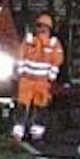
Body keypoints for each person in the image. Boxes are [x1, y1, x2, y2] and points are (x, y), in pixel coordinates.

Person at [14, 12, 64, 142]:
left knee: (35, 108)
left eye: (43, 26)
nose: (41, 28)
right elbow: (57, 61)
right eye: (39, 26)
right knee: (28, 107)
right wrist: (51, 77)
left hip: (35, 82)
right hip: (33, 81)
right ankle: (24, 134)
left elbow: (57, 60)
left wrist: (20, 72)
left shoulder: (49, 43)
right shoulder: (38, 41)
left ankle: (29, 134)